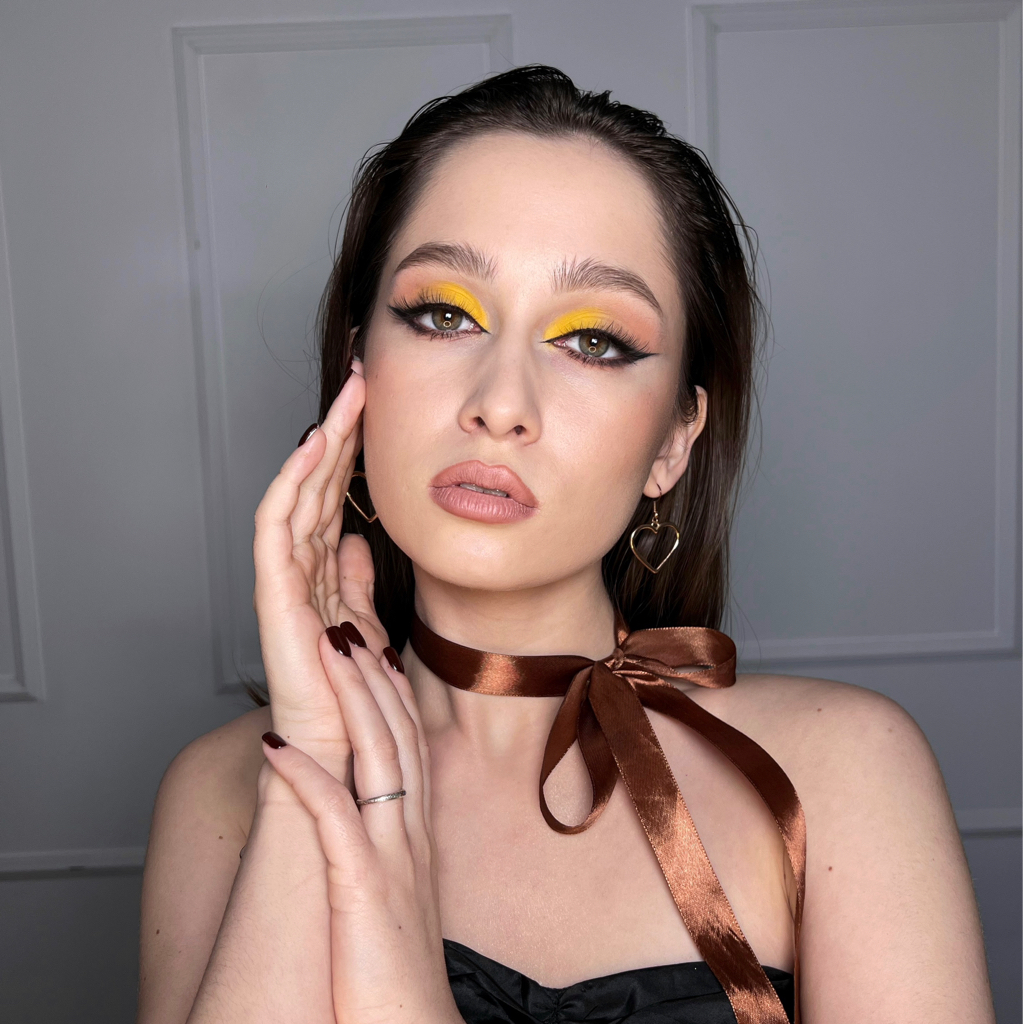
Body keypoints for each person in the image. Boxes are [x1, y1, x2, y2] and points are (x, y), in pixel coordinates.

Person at [136, 66, 994, 1024]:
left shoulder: (841, 768)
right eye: (443, 315)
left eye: (592, 341)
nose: (500, 404)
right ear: (357, 369)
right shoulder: (222, 788)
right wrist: (316, 760)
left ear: (673, 441)